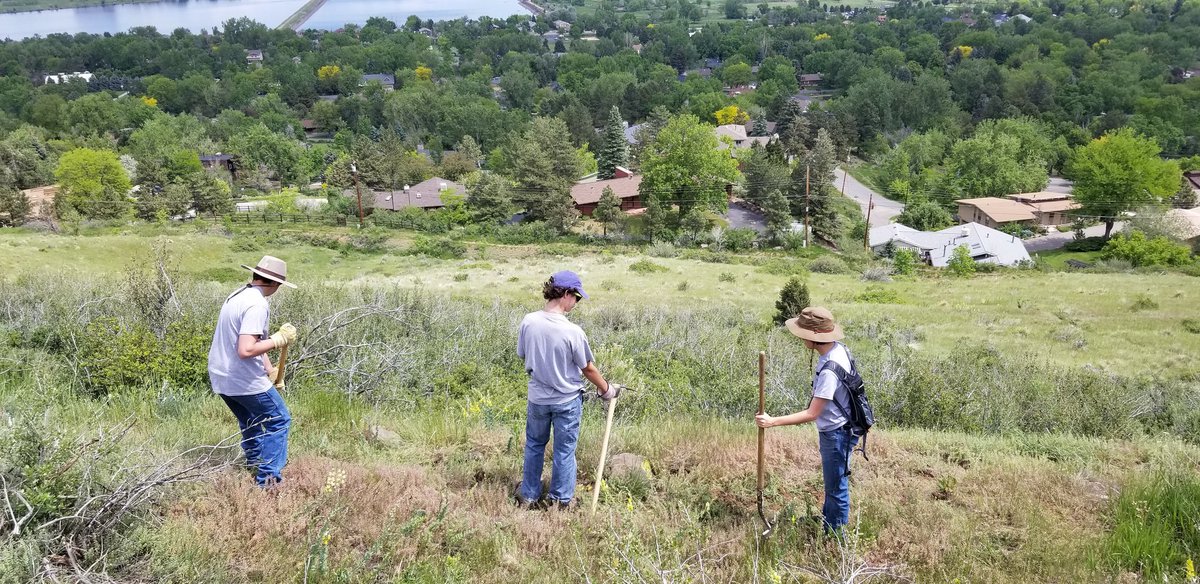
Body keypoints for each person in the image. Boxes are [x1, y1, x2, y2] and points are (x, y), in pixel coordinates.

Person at [516, 270, 622, 510]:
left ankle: (529, 496)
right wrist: (607, 390)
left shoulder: (528, 321)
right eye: (576, 297)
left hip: (538, 399)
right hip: (566, 401)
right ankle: (561, 501)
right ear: (565, 294)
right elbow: (588, 369)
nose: (576, 303)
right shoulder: (572, 331)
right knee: (564, 450)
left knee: (534, 445)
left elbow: (523, 354)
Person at [755, 306, 859, 533]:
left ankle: (835, 539)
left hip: (837, 433)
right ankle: (829, 523)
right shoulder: (839, 350)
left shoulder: (831, 369)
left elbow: (813, 413)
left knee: (836, 488)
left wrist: (772, 421)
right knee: (834, 484)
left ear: (813, 337)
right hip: (844, 427)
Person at [207, 255, 298, 487]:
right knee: (279, 420)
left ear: (256, 276)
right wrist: (279, 340)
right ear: (276, 284)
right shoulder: (258, 304)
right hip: (243, 379)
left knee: (251, 420)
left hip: (222, 376)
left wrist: (270, 370)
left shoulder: (237, 295)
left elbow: (252, 339)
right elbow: (247, 349)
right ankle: (268, 481)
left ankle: (254, 463)